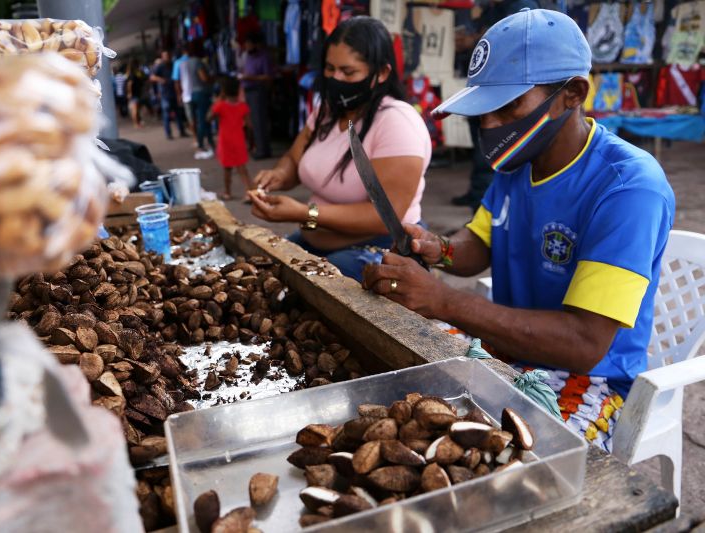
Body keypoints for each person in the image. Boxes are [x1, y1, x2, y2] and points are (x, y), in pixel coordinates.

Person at [363, 9, 675, 451]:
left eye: (508, 106)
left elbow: (585, 342)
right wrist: (439, 249)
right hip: (506, 350)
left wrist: (443, 301)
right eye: (484, 109)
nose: (490, 125)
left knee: (512, 461)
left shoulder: (628, 187)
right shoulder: (518, 162)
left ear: (573, 94)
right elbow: (480, 244)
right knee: (393, 383)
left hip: (590, 377)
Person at [249, 17, 431, 282]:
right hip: (316, 241)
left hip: (378, 250)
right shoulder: (327, 112)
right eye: (330, 69)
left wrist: (305, 213)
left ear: (381, 73)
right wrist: (277, 175)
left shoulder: (396, 122)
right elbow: (293, 159)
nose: (336, 79)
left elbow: (384, 217)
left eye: (348, 72)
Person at [452, 0, 540, 211]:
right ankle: (478, 201)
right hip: (483, 89)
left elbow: (512, 50)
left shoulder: (522, 7)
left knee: (490, 156)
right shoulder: (490, 9)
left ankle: (481, 207)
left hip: (502, 92)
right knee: (482, 151)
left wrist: (472, 40)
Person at [208, 76, 252, 201]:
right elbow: (249, 125)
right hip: (239, 140)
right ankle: (249, 192)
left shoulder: (220, 106)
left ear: (223, 91)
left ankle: (227, 192)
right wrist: (250, 141)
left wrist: (218, 99)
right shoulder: (243, 106)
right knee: (242, 169)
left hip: (225, 141)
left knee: (227, 169)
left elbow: (209, 117)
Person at [240, 32, 274, 159]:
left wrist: (251, 77)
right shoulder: (247, 57)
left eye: (249, 44)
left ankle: (263, 150)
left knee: (260, 121)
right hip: (248, 90)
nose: (247, 46)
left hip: (258, 90)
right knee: (252, 122)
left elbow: (268, 76)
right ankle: (257, 147)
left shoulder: (263, 57)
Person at [182, 43, 216, 159]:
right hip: (201, 93)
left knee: (200, 120)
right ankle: (202, 145)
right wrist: (212, 78)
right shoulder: (198, 62)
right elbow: (204, 78)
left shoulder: (185, 63)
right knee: (203, 120)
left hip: (191, 94)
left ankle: (208, 143)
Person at [150, 50, 188, 140]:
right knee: (166, 114)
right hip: (165, 93)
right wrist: (160, 79)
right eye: (165, 56)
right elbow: (152, 77)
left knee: (178, 113)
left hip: (174, 92)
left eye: (168, 55)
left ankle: (181, 131)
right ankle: (168, 133)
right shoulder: (160, 66)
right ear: (162, 57)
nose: (167, 57)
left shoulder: (173, 64)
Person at [172, 46, 195, 142]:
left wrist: (178, 95)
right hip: (198, 93)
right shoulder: (195, 60)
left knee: (191, 118)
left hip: (186, 95)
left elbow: (176, 81)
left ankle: (196, 138)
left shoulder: (178, 63)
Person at [126, 58, 147, 128]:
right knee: (135, 109)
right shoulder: (133, 73)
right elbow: (130, 84)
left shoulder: (133, 72)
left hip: (137, 93)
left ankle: (137, 122)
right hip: (135, 94)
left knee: (137, 108)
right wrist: (130, 93)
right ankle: (136, 123)